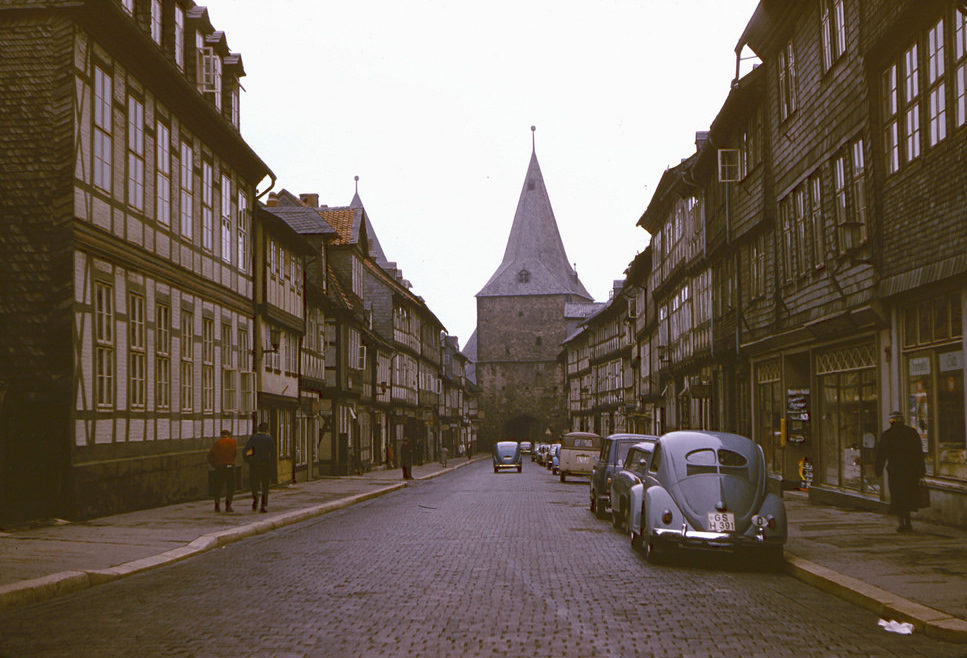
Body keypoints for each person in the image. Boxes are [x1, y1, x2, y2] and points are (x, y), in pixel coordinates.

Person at [875, 410, 926, 532]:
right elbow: (919, 453)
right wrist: (921, 471)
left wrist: (878, 469)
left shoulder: (887, 435)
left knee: (897, 497)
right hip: (910, 471)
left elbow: (881, 455)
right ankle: (908, 522)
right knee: (908, 496)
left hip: (896, 471)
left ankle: (901, 523)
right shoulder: (911, 433)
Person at [244, 422, 276, 513]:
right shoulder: (269, 439)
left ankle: (255, 498)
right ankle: (263, 505)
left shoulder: (253, 438)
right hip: (265, 465)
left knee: (254, 483)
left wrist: (249, 461)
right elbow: (273, 451)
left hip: (254, 465)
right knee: (265, 486)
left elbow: (245, 451)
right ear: (266, 430)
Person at [207, 429, 236, 512]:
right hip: (230, 467)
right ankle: (228, 506)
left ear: (221, 435)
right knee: (230, 487)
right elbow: (234, 454)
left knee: (218, 487)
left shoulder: (217, 443)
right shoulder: (233, 442)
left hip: (219, 467)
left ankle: (217, 505)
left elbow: (209, 456)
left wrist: (214, 465)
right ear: (229, 435)